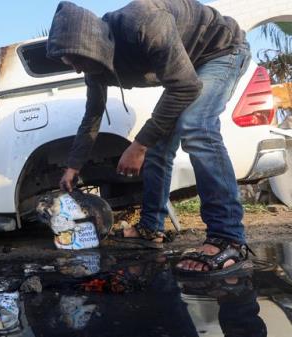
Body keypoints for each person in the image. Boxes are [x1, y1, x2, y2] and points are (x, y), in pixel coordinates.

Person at [47, 0, 253, 276]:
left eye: (76, 60)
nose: (76, 69)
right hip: (186, 68)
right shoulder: (94, 65)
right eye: (69, 63)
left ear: (91, 44)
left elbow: (185, 86)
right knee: (158, 149)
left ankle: (228, 238)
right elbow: (92, 115)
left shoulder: (143, 21)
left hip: (220, 51)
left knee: (197, 127)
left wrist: (139, 144)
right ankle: (150, 228)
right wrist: (73, 167)